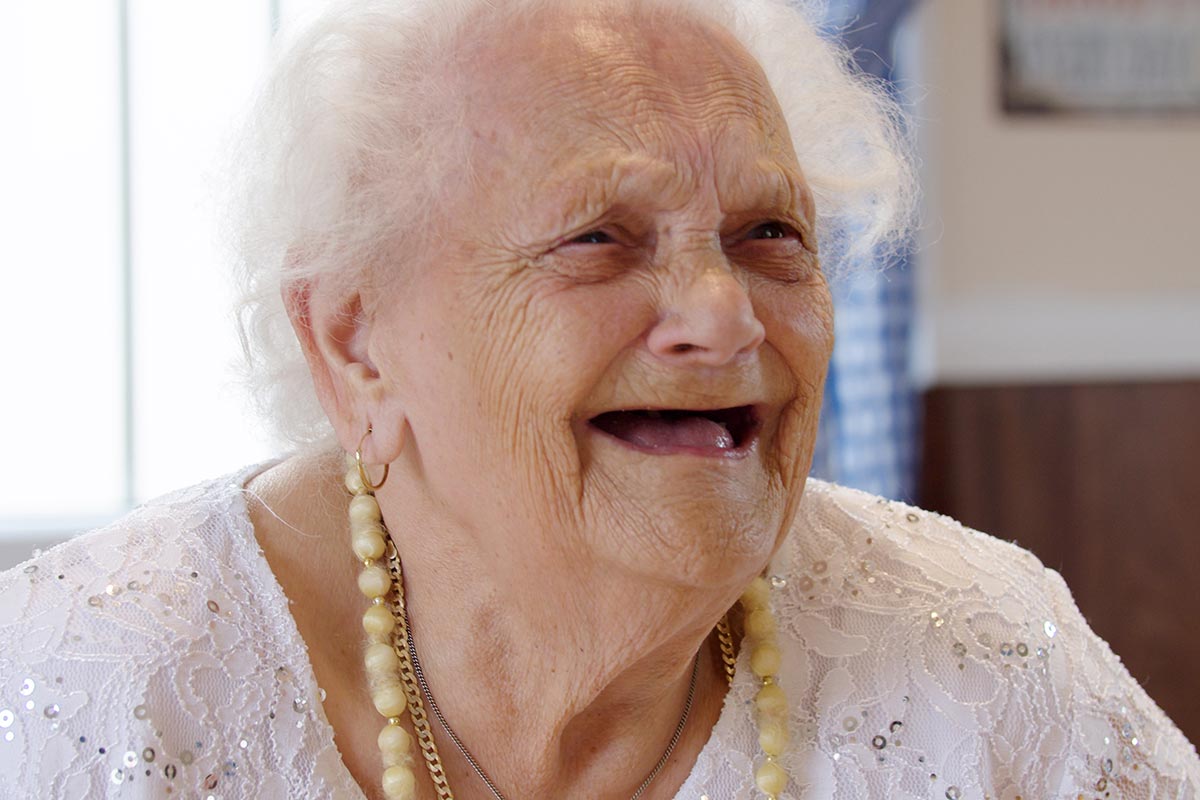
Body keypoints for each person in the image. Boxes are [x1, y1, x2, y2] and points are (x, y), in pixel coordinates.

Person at [1, 0, 1197, 797]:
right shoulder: (85, 688)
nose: (726, 315)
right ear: (355, 343)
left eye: (770, 233)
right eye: (599, 237)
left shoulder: (987, 660)